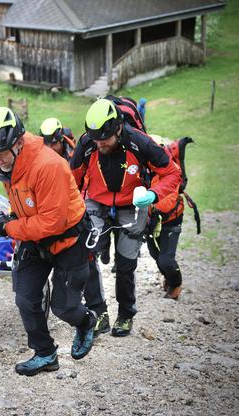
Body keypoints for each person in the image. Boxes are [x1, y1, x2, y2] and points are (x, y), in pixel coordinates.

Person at [0, 107, 97, 376]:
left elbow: (50, 223)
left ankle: (87, 321)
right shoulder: (9, 163)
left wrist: (9, 227)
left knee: (64, 307)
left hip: (68, 240)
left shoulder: (48, 165)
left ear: (18, 143)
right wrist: (12, 217)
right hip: (34, 238)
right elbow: (26, 200)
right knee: (26, 298)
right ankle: (45, 354)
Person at [71, 98, 181, 338]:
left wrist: (153, 194)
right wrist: (75, 208)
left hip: (134, 204)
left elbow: (173, 174)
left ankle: (125, 314)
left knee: (125, 263)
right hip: (96, 202)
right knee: (86, 254)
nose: (100, 144)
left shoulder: (140, 143)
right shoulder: (87, 143)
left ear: (119, 128)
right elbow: (72, 178)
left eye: (105, 139)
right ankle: (98, 311)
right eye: (95, 139)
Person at [146, 135, 188, 300]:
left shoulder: (170, 171)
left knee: (165, 259)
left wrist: (153, 208)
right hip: (153, 221)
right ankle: (169, 278)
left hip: (170, 220)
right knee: (154, 253)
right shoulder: (146, 171)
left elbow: (167, 201)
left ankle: (176, 283)